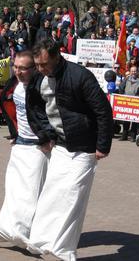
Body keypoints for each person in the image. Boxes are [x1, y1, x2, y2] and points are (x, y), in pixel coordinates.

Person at [25, 39, 113, 260]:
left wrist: (102, 146)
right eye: (37, 64)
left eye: (44, 64)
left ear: (56, 56)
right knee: (51, 195)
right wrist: (45, 135)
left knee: (73, 197)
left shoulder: (80, 76)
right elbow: (34, 108)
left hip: (84, 148)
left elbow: (103, 111)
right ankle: (40, 242)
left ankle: (63, 250)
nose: (41, 69)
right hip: (60, 146)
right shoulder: (38, 77)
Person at [0, 50, 48, 248]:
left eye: (23, 68)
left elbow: (54, 115)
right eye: (15, 67)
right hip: (20, 145)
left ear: (35, 68)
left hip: (39, 148)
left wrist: (49, 138)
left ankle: (30, 235)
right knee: (14, 190)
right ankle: (10, 229)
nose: (18, 71)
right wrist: (14, 133)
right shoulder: (12, 85)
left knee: (31, 194)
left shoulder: (44, 86)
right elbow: (7, 107)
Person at [119, 66, 139, 141]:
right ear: (130, 72)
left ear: (137, 72)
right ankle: (124, 136)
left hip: (135, 103)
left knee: (134, 121)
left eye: (135, 71)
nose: (133, 72)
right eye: (132, 71)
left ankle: (133, 136)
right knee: (125, 119)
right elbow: (121, 88)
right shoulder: (126, 79)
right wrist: (122, 97)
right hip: (126, 103)